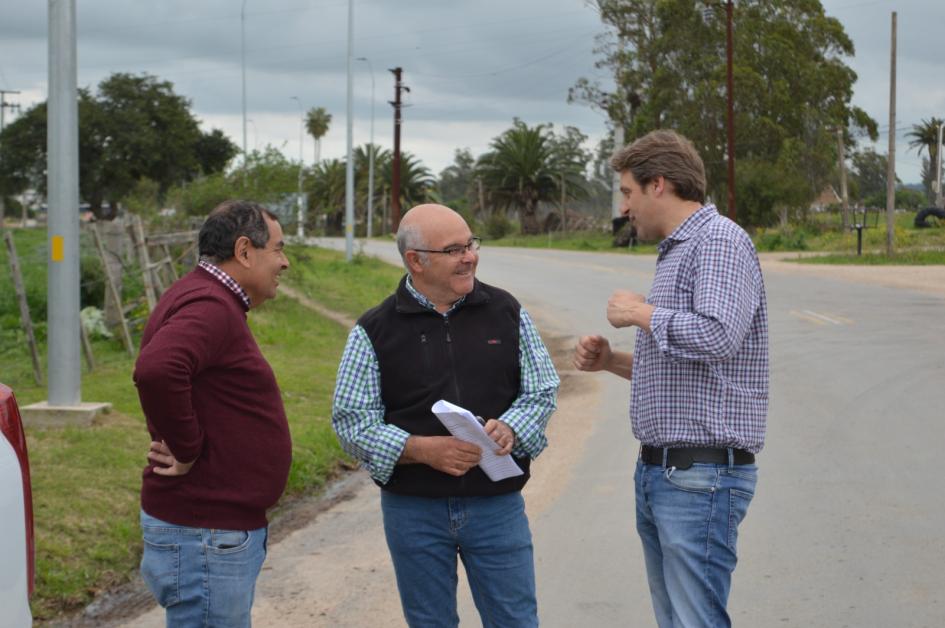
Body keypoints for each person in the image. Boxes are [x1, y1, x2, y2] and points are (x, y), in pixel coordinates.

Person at [573, 130, 769, 627]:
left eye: (627, 192)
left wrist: (641, 312)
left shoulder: (719, 241)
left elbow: (719, 336)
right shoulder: (678, 251)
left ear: (658, 184)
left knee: (694, 621)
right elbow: (688, 368)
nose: (624, 207)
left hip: (699, 476)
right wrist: (611, 362)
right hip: (667, 474)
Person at [332, 203, 559, 627]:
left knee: (515, 620)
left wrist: (512, 426)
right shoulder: (374, 329)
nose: (469, 256)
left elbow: (542, 389)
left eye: (470, 244)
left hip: (497, 508)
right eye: (453, 250)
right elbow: (350, 421)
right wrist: (418, 449)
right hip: (413, 511)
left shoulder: (506, 311)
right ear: (415, 261)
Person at [133, 200, 291, 628]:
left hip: (208, 531)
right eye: (277, 249)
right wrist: (187, 448)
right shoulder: (210, 305)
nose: (285, 262)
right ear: (244, 251)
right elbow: (158, 370)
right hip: (205, 532)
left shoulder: (207, 297)